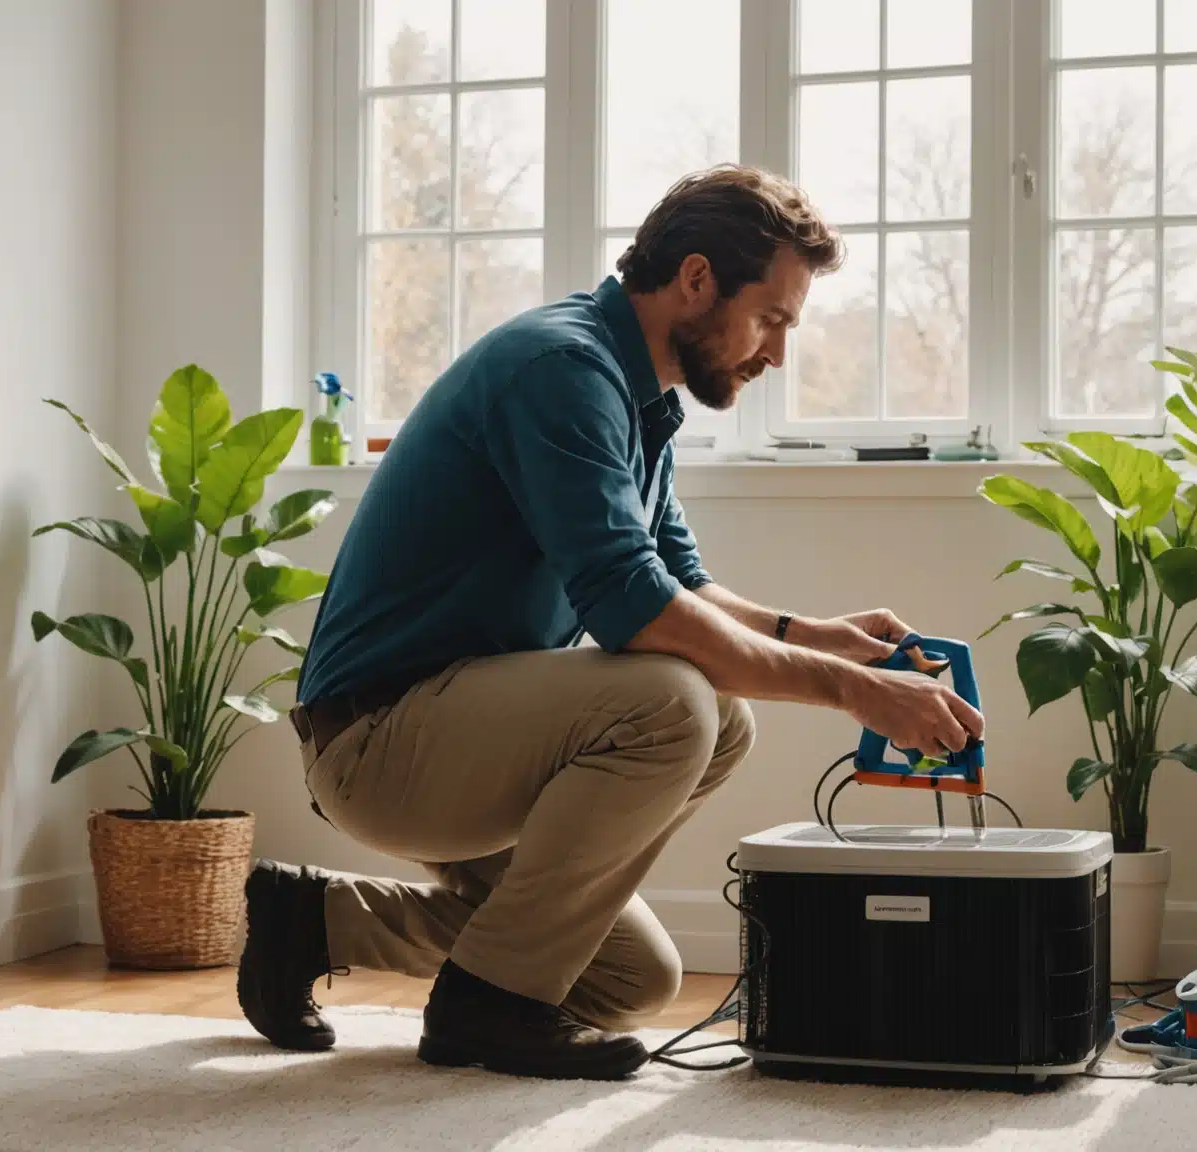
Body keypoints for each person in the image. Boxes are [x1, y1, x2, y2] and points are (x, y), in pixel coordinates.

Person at [239, 164, 985, 1081]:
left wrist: (818, 635)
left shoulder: (635, 394)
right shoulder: (561, 371)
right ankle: (486, 1010)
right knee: (674, 702)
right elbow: (634, 609)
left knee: (632, 974)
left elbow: (679, 582)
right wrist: (853, 692)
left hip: (467, 732)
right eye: (773, 319)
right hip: (380, 740)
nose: (777, 354)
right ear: (698, 279)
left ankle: (308, 921)